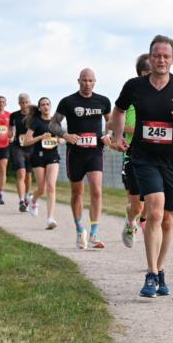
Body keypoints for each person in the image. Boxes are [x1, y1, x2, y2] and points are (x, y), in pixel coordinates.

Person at [110, 35, 173, 298]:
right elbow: (118, 111)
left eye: (166, 56)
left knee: (167, 218)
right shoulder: (134, 86)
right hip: (144, 158)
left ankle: (161, 268)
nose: (161, 60)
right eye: (157, 55)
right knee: (154, 211)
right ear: (150, 57)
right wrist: (118, 137)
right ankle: (151, 274)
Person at [50, 68, 112, 250]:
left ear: (95, 82)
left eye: (90, 80)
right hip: (75, 154)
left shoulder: (103, 101)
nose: (87, 84)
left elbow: (110, 123)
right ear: (78, 81)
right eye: (84, 80)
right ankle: (80, 230)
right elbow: (53, 124)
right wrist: (65, 135)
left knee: (96, 190)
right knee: (77, 193)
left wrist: (108, 134)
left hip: (95, 152)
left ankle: (94, 233)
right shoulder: (68, 101)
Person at [120, 53, 151, 248]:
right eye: (146, 71)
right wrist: (138, 129)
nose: (150, 74)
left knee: (153, 201)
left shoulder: (161, 95)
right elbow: (115, 122)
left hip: (154, 155)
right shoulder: (131, 95)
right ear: (140, 73)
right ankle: (131, 221)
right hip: (132, 155)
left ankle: (144, 222)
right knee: (137, 205)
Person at [22, 97, 60, 230]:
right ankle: (33, 200)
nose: (45, 106)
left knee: (51, 185)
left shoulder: (55, 121)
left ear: (50, 106)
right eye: (43, 105)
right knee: (42, 189)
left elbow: (61, 136)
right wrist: (41, 137)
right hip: (38, 157)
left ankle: (50, 218)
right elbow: (26, 142)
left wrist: (61, 140)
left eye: (47, 104)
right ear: (39, 108)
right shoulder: (36, 122)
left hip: (53, 156)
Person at [9, 94, 34, 212]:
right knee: (21, 173)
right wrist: (11, 135)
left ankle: (27, 195)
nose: (24, 104)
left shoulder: (35, 115)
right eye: (22, 102)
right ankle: (21, 201)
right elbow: (10, 127)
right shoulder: (14, 115)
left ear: (29, 102)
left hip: (32, 148)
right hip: (18, 147)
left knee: (28, 175)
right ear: (19, 103)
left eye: (26, 102)